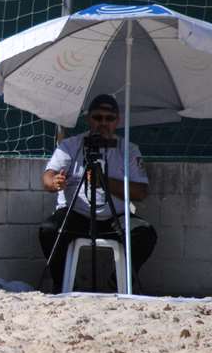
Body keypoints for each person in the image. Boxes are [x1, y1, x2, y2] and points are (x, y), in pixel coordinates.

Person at [38, 94, 158, 292]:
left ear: (117, 121)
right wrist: (54, 182)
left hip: (114, 216)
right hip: (77, 214)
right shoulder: (71, 145)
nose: (103, 123)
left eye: (109, 118)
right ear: (88, 119)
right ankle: (63, 283)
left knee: (145, 234)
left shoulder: (128, 149)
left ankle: (118, 282)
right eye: (98, 117)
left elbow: (141, 192)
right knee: (49, 230)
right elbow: (48, 176)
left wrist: (104, 182)